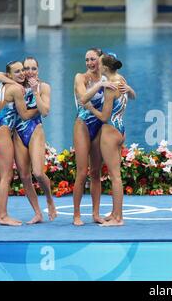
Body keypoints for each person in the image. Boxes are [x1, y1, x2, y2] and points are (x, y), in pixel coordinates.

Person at [0, 57, 57, 224]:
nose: (29, 72)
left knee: (38, 173)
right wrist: (13, 80)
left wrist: (35, 91)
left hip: (35, 130)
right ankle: (37, 213)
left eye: (33, 68)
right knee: (25, 176)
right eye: (26, 68)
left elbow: (45, 111)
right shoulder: (16, 86)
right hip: (17, 133)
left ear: (38, 70)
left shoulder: (44, 87)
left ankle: (49, 200)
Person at [84, 52, 136, 226]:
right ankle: (115, 213)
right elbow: (133, 96)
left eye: (98, 63)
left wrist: (90, 108)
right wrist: (130, 90)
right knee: (116, 175)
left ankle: (119, 218)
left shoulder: (109, 87)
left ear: (105, 68)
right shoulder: (121, 80)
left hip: (110, 131)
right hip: (121, 129)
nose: (96, 66)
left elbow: (105, 116)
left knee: (115, 177)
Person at [72, 48, 106, 226]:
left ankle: (95, 213)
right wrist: (99, 85)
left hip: (99, 126)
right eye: (87, 60)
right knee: (82, 172)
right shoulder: (81, 77)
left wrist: (128, 89)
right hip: (83, 124)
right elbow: (84, 98)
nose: (89, 63)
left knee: (95, 172)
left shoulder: (107, 78)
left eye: (93, 59)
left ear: (101, 60)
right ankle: (76, 214)